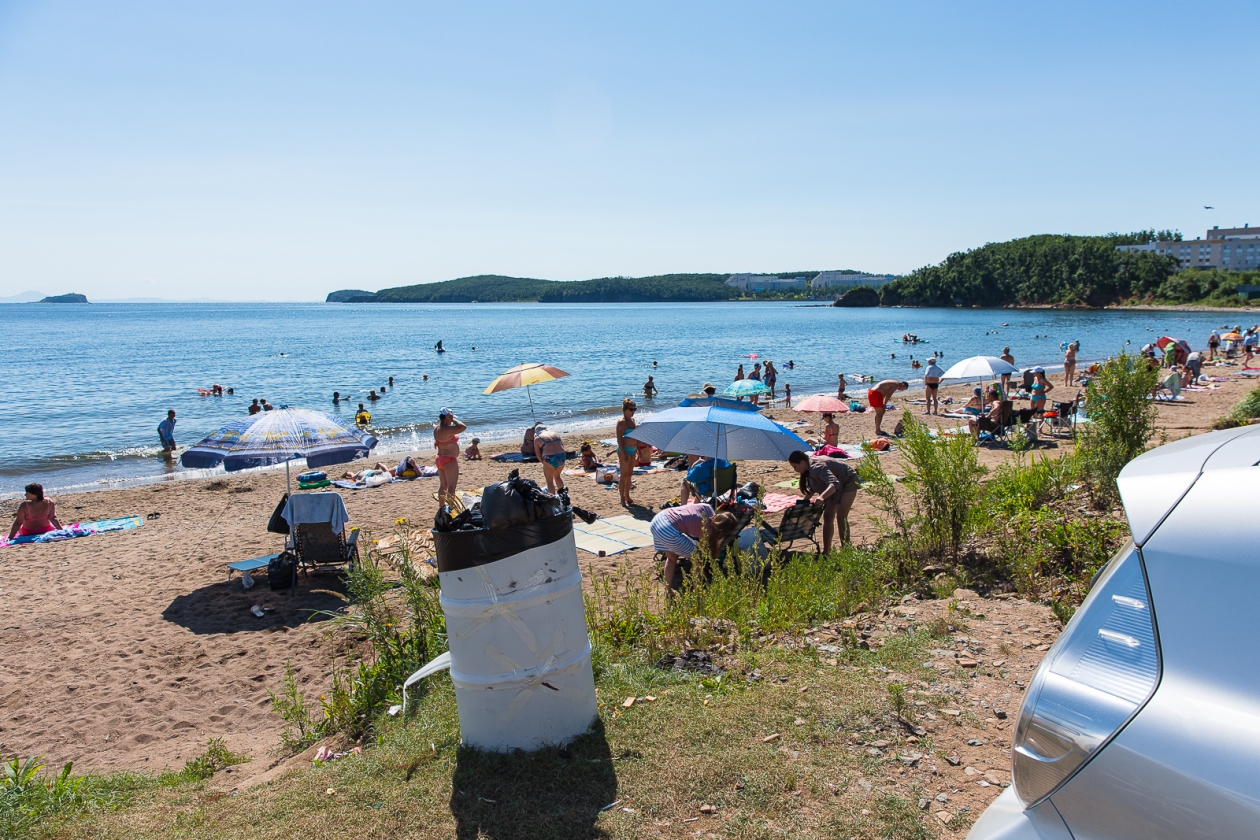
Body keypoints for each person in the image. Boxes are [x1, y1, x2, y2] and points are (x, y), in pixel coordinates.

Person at [649, 503, 739, 591]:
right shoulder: (707, 530)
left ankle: (668, 592)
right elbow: (702, 551)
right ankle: (698, 591)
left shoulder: (707, 507)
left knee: (672, 559)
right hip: (668, 529)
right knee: (697, 560)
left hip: (658, 520)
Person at [788, 451, 858, 553]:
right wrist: (803, 503)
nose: (795, 470)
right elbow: (813, 487)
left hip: (847, 480)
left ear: (802, 462)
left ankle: (846, 550)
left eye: (795, 467)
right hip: (832, 485)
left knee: (841, 517)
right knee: (828, 517)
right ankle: (826, 552)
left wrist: (821, 497)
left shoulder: (817, 467)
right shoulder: (808, 469)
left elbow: (834, 484)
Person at [434, 408, 467, 507]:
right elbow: (463, 427)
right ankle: (451, 509)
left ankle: (441, 507)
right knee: (452, 487)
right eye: (450, 418)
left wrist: (450, 419)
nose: (451, 421)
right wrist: (453, 420)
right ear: (446, 418)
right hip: (449, 460)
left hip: (439, 458)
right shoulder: (446, 430)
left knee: (443, 486)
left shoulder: (436, 428)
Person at [616, 399, 638, 507]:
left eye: (634, 409)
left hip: (633, 450)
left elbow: (636, 437)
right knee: (623, 476)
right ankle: (622, 498)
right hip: (625, 450)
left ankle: (627, 495)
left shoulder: (633, 421)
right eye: (631, 409)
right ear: (625, 410)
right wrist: (624, 454)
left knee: (630, 475)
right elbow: (619, 440)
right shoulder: (622, 422)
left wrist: (638, 451)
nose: (633, 411)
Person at [532, 423, 567, 494]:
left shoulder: (537, 438)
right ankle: (563, 495)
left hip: (549, 458)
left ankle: (553, 499)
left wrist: (544, 462)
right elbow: (561, 446)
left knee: (549, 481)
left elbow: (538, 454)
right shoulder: (555, 434)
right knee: (557, 477)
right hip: (562, 456)